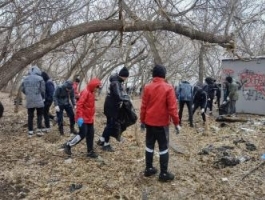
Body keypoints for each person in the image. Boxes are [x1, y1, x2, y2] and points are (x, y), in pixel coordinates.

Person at [140, 64, 180, 182]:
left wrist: (142, 121)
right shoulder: (168, 88)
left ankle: (148, 168)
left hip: (149, 123)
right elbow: (172, 108)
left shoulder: (147, 87)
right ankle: (163, 174)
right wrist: (177, 123)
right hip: (162, 124)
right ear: (164, 74)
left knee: (149, 146)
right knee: (163, 148)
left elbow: (143, 106)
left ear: (153, 75)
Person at [63, 78, 102, 158]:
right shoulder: (86, 92)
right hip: (82, 118)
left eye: (98, 88)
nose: (97, 89)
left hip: (89, 118)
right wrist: (80, 117)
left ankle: (90, 152)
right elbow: (79, 105)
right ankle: (68, 145)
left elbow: (89, 106)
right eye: (96, 87)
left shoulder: (91, 92)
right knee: (83, 133)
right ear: (93, 86)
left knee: (91, 134)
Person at [97, 67, 130, 152]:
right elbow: (118, 96)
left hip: (110, 106)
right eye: (126, 77)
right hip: (111, 107)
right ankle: (104, 142)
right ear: (124, 76)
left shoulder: (116, 81)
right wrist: (126, 98)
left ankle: (103, 141)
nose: (126, 79)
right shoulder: (116, 83)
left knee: (109, 124)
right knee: (110, 125)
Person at [21, 65, 45, 137]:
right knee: (39, 115)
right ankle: (39, 130)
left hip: (29, 100)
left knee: (30, 116)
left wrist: (28, 94)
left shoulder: (25, 79)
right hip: (38, 99)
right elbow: (42, 90)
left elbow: (23, 89)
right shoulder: (40, 78)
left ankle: (30, 131)